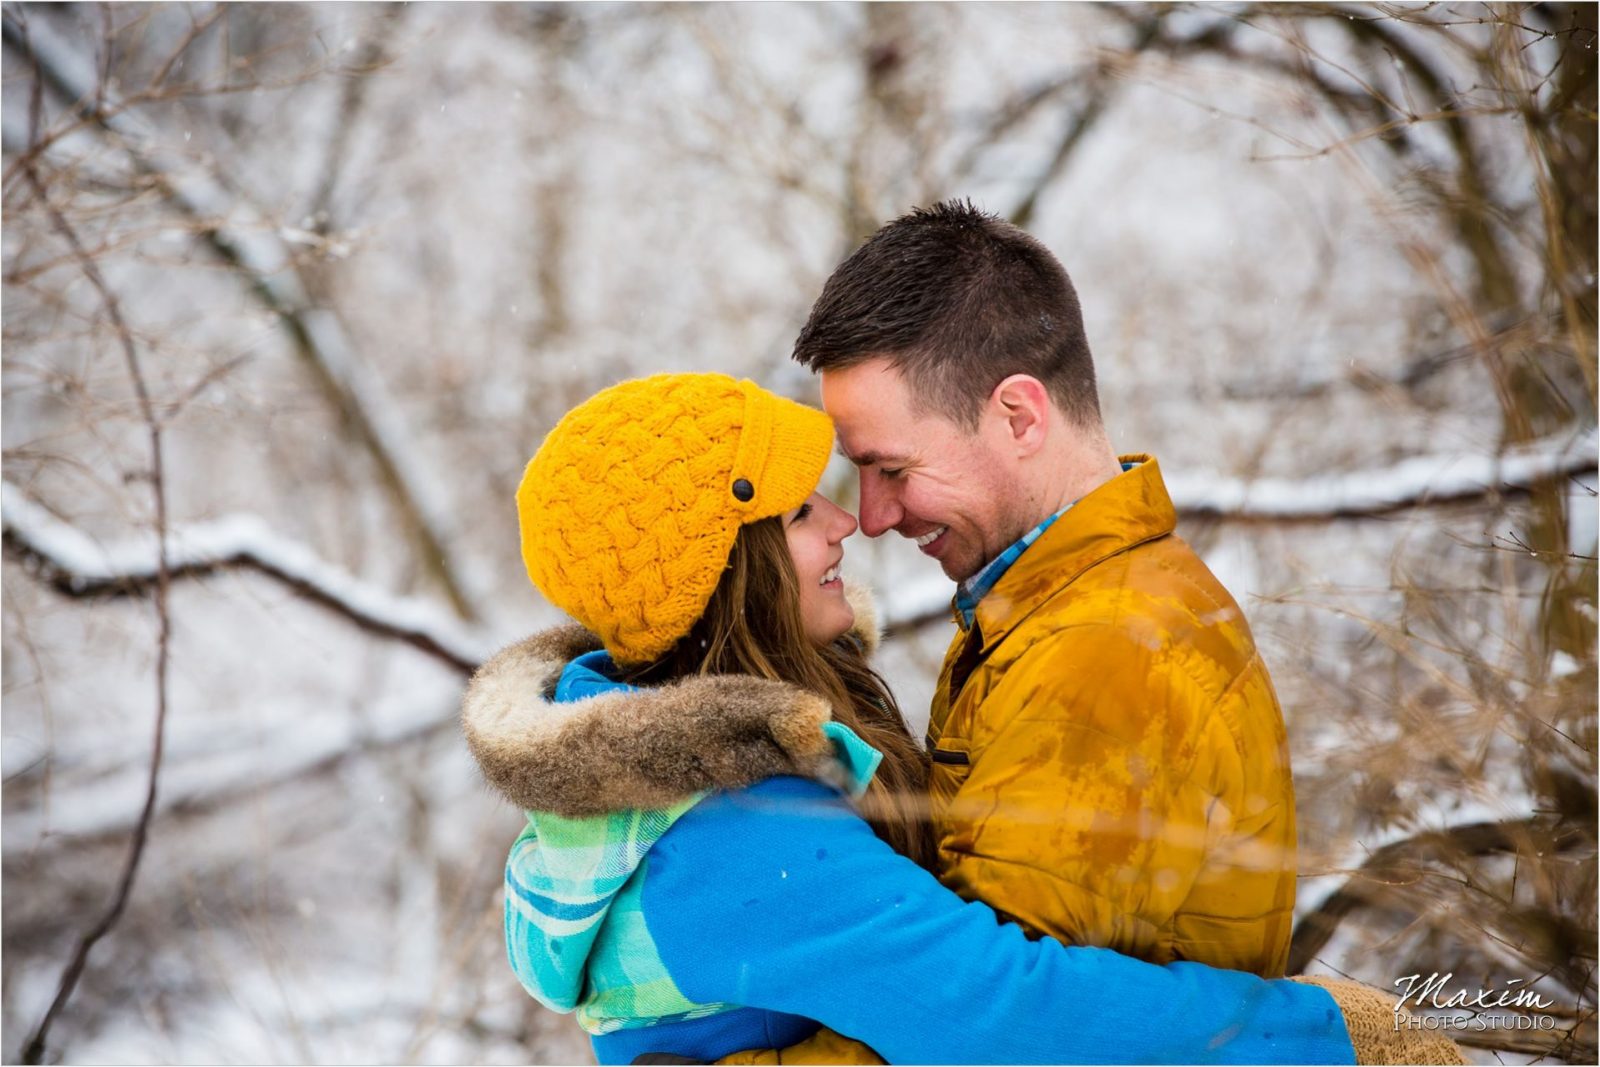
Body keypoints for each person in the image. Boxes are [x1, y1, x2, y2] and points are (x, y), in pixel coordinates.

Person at [463, 372, 1456, 1065]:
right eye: (800, 508)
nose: (845, 518)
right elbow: (1002, 1017)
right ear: (726, 563)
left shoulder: (646, 791)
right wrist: (1322, 1033)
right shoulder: (726, 827)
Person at [790, 199, 1296, 974]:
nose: (873, 515)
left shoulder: (1107, 652)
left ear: (1020, 416)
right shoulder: (1050, 606)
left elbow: (977, 1015)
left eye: (892, 469)